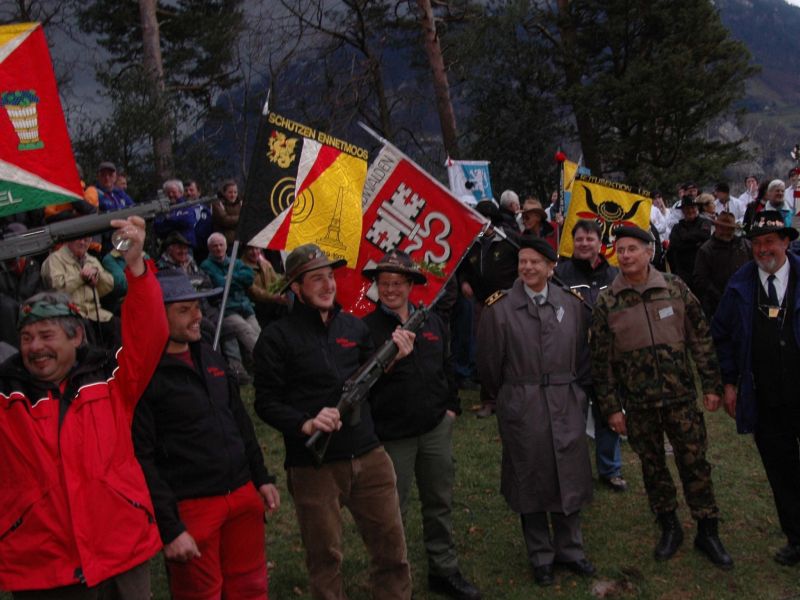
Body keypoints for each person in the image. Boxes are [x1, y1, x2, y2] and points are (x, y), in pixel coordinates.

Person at [0, 216, 167, 597]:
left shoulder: (111, 381)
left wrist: (136, 266)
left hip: (120, 552)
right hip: (43, 566)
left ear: (77, 337)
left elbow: (149, 332)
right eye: (26, 338)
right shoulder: (7, 396)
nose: (35, 347)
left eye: (46, 335)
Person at [253, 243, 413, 600]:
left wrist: (393, 359)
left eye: (330, 276)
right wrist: (305, 423)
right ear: (296, 287)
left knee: (392, 550)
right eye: (316, 279)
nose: (328, 285)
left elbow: (372, 383)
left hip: (369, 454)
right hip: (314, 465)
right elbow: (265, 402)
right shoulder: (276, 338)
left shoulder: (353, 328)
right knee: (325, 558)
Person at [589, 225, 733, 569]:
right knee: (653, 466)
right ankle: (668, 525)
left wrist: (711, 385)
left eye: (632, 249)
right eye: (620, 250)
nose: (625, 255)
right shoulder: (608, 301)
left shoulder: (674, 288)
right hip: (639, 404)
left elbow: (700, 337)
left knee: (695, 462)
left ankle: (707, 529)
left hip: (680, 398)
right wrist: (611, 409)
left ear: (648, 252)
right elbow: (601, 363)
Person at [133, 270, 280, 599]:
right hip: (193, 505)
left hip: (241, 494)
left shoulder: (210, 355)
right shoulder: (145, 376)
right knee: (201, 593)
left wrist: (261, 477)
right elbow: (142, 458)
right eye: (184, 310)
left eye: (197, 307)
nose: (197, 316)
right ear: (157, 315)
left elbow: (239, 421)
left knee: (251, 587)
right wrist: (170, 528)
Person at [362, 250, 480, 600]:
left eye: (397, 282)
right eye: (384, 283)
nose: (390, 289)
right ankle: (393, 582)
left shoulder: (432, 321)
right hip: (393, 435)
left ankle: (443, 570)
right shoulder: (366, 329)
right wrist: (391, 361)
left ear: (411, 285)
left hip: (434, 428)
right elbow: (361, 387)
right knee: (391, 511)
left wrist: (451, 409)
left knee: (439, 501)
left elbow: (447, 366)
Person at [477, 236, 595, 587]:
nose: (527, 268)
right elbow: (488, 366)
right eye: (522, 262)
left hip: (565, 400)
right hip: (522, 402)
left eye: (535, 262)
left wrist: (575, 394)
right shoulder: (499, 309)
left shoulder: (571, 304)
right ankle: (541, 555)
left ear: (551, 267)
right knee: (529, 476)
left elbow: (582, 356)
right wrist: (511, 396)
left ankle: (571, 549)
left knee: (568, 474)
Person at [711, 210, 800, 567]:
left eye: (770, 242)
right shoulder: (739, 285)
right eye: (757, 243)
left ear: (786, 242)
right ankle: (796, 537)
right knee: (781, 470)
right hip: (766, 396)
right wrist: (729, 382)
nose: (763, 249)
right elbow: (721, 336)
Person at [554, 220, 627, 492]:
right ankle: (573, 470)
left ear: (600, 243)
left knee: (610, 415)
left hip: (609, 361)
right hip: (574, 359)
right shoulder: (560, 274)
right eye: (580, 239)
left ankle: (610, 469)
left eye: (590, 239)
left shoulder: (615, 275)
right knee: (572, 419)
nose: (584, 243)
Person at [40, 235, 118, 348]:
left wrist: (97, 276)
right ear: (69, 239)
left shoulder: (91, 260)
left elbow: (109, 285)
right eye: (79, 239)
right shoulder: (54, 260)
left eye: (86, 240)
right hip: (68, 313)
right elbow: (56, 289)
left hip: (93, 312)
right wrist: (80, 278)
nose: (83, 243)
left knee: (117, 325)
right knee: (85, 332)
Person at [200, 232, 261, 359]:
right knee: (247, 332)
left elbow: (249, 277)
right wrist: (237, 280)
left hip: (245, 306)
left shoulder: (236, 262)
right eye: (215, 246)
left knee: (258, 332)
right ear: (209, 248)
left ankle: (258, 363)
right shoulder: (206, 266)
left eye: (221, 245)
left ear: (226, 246)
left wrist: (230, 277)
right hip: (226, 309)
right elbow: (221, 284)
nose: (218, 248)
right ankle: (267, 358)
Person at [692, 212, 751, 319]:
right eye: (723, 228)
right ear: (716, 227)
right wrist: (721, 296)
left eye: (729, 229)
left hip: (744, 303)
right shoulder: (706, 250)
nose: (726, 232)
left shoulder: (745, 246)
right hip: (717, 307)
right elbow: (700, 280)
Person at [667, 195, 712, 293]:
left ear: (697, 208)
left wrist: (685, 237)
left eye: (693, 207)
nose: (690, 210)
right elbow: (675, 245)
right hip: (683, 273)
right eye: (687, 208)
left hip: (702, 272)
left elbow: (705, 236)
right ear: (683, 211)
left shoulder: (705, 222)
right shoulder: (677, 227)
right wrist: (695, 244)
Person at [154, 179, 198, 249]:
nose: (171, 195)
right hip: (167, 248)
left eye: (174, 192)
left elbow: (188, 221)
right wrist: (176, 222)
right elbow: (158, 227)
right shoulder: (161, 209)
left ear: (181, 192)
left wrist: (168, 220)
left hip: (185, 247)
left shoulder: (187, 206)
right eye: (168, 193)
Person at [212, 180, 243, 247]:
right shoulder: (218, 204)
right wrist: (242, 218)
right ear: (224, 193)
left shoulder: (241, 203)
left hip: (241, 241)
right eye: (230, 192)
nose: (233, 195)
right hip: (226, 243)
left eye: (235, 192)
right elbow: (225, 220)